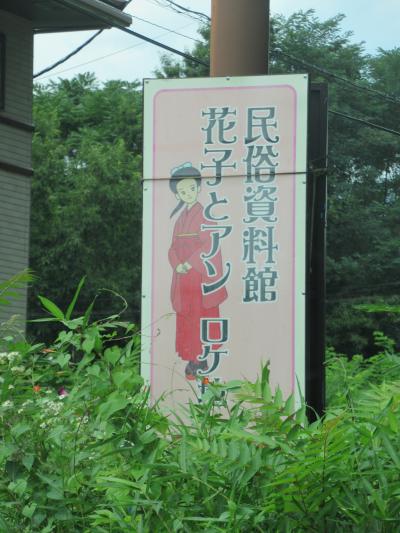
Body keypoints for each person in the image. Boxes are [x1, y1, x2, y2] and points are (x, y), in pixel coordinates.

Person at [168, 163, 228, 380]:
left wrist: (190, 263)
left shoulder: (205, 215)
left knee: (199, 317)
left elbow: (209, 244)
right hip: (183, 277)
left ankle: (199, 359)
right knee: (187, 317)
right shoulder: (180, 220)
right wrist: (177, 263)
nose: (188, 194)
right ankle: (190, 356)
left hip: (199, 275)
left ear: (199, 188)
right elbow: (173, 247)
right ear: (177, 195)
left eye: (191, 188)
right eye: (182, 191)